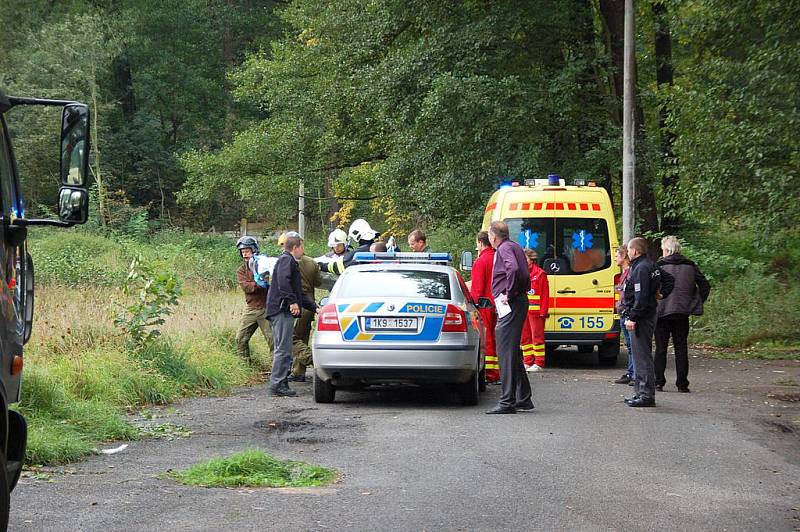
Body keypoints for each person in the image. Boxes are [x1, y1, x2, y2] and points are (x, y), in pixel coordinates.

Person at [486, 221, 534, 414]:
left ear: (493, 236)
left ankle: (507, 402)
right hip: (518, 302)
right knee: (511, 351)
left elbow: (513, 269)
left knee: (505, 352)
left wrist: (509, 292)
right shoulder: (514, 246)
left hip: (511, 304)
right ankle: (523, 398)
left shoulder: (504, 249)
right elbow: (521, 271)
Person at [655, 236, 711, 393]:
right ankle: (682, 384)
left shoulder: (659, 266)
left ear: (666, 249)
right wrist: (696, 302)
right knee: (681, 348)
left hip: (662, 312)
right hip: (682, 313)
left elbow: (652, 285)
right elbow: (705, 285)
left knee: (660, 348)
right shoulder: (690, 265)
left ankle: (658, 381)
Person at [265, 234, 317, 397]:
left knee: (285, 347)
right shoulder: (286, 260)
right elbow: (283, 283)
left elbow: (298, 291)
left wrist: (314, 307)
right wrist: (292, 302)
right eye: (302, 247)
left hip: (282, 309)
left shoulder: (289, 262)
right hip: (281, 310)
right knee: (283, 349)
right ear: (295, 247)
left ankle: (282, 382)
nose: (303, 250)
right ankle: (277, 384)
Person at [622, 237, 660, 407]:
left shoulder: (641, 268)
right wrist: (661, 293)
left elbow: (641, 297)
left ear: (635, 251)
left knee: (641, 357)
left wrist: (633, 317)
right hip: (647, 314)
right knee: (641, 356)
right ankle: (641, 392)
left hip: (642, 318)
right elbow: (667, 280)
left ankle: (645, 395)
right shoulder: (650, 265)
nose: (627, 253)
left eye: (629, 250)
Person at [235, 236, 273, 362]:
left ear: (254, 250)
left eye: (247, 251)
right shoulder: (241, 270)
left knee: (273, 341)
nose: (245, 254)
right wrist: (258, 283)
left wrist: (261, 282)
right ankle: (245, 365)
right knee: (240, 339)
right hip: (251, 309)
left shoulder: (263, 264)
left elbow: (269, 281)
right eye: (242, 252)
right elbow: (246, 287)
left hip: (266, 309)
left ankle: (278, 370)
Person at [469, 231, 499, 384]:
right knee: (494, 337)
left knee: (486, 338)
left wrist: (471, 304)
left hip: (484, 306)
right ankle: (496, 371)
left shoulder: (481, 261)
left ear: (480, 243)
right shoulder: (497, 257)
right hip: (498, 304)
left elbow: (477, 289)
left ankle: (489, 373)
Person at [522, 249, 549, 372]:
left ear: (531, 259)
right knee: (525, 338)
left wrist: (543, 312)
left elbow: (544, 295)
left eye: (525, 258)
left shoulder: (540, 274)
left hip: (536, 313)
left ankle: (539, 363)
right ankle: (527, 361)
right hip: (524, 312)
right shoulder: (522, 273)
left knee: (537, 337)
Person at [613, 246, 635, 385]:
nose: (615, 258)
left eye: (617, 255)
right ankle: (631, 372)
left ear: (625, 257)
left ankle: (634, 374)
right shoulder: (624, 273)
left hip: (628, 313)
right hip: (623, 312)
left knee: (633, 346)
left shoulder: (631, 273)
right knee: (629, 345)